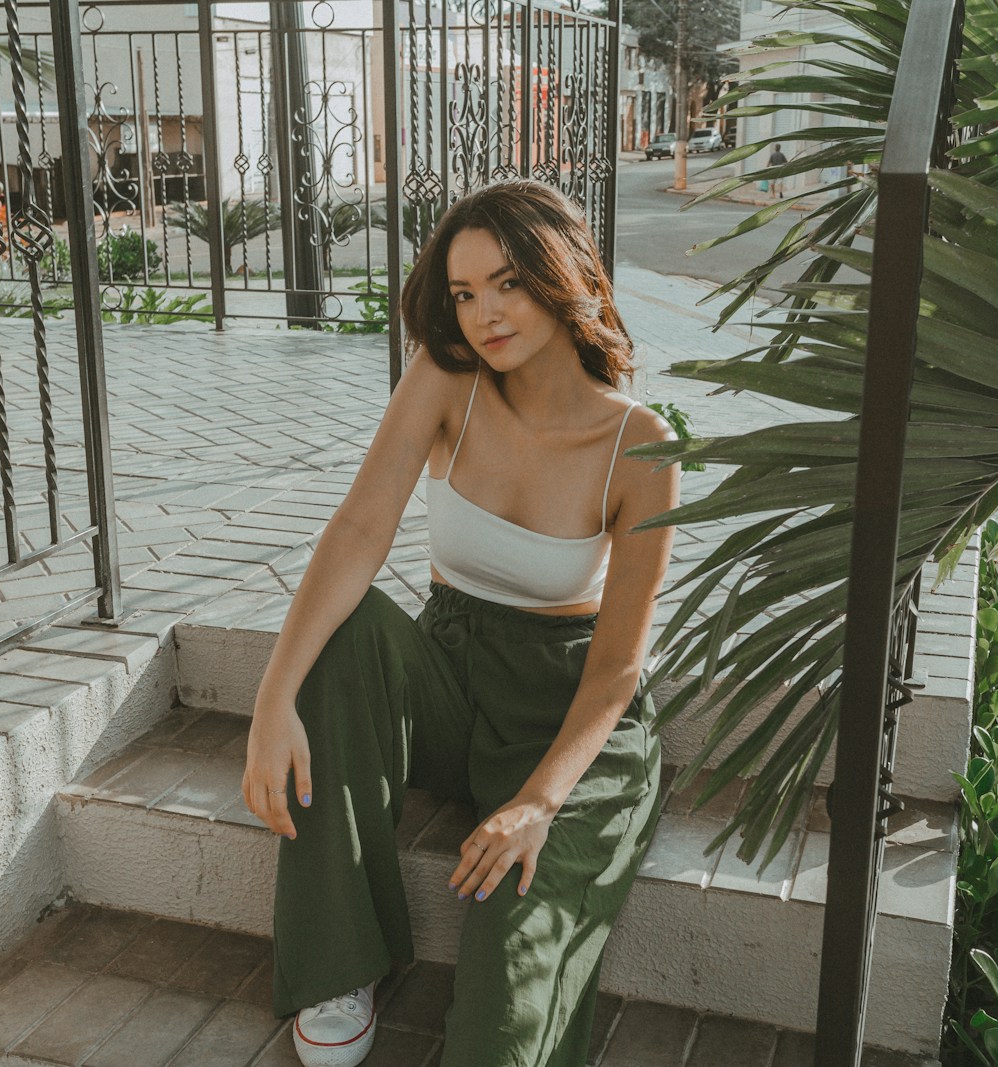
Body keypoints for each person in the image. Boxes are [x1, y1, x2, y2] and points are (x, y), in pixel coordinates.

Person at [240, 178, 680, 1067]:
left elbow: (617, 669)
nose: (485, 312)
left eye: (508, 282)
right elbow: (359, 529)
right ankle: (337, 963)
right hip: (449, 667)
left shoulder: (642, 444)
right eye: (464, 292)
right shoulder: (447, 381)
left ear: (566, 275)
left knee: (506, 995)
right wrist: (272, 699)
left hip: (561, 713)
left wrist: (537, 802)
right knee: (349, 628)